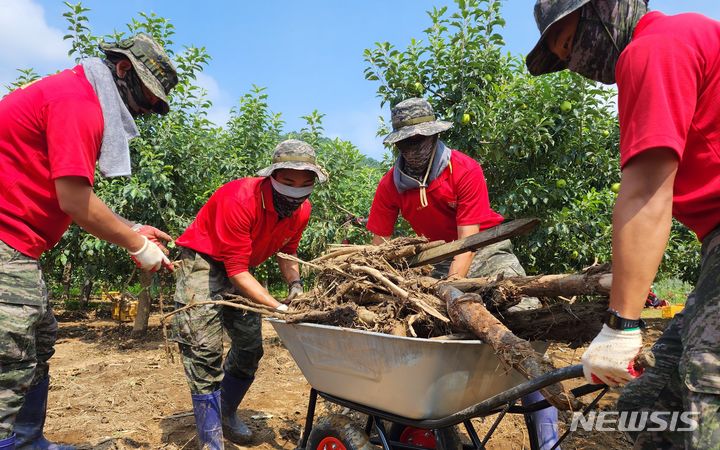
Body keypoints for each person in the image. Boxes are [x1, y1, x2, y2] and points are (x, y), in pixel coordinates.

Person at [526, 0, 720, 447]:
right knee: (646, 403)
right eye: (564, 59)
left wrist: (621, 326)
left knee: (707, 380)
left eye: (571, 44)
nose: (575, 63)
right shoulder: (676, 41)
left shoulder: (653, 50)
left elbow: (647, 194)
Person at [0, 33, 178, 449]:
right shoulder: (78, 103)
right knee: (8, 364)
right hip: (5, 243)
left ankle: (25, 442)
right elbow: (76, 202)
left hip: (20, 247)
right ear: (122, 70)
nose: (145, 110)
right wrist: (137, 245)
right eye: (147, 98)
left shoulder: (75, 92)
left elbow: (73, 199)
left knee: (38, 343)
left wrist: (129, 228)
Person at [365, 97, 559, 450]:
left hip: (486, 249)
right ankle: (407, 419)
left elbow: (467, 242)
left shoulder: (463, 169)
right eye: (406, 142)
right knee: (418, 334)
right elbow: (380, 247)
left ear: (434, 136)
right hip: (434, 259)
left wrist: (453, 292)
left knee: (527, 318)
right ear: (398, 144)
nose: (414, 148)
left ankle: (547, 438)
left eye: (420, 140)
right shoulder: (390, 185)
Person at [170, 139, 327, 449]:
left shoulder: (302, 210)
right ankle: (210, 439)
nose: (297, 190)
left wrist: (295, 286)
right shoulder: (241, 198)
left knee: (250, 346)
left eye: (305, 183)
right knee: (204, 349)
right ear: (272, 176)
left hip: (241, 268)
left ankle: (225, 413)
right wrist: (280, 309)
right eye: (288, 181)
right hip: (204, 261)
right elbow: (237, 271)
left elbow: (287, 252)